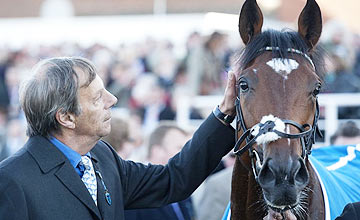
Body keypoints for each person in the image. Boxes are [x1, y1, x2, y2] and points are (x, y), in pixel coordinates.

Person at [0, 57, 236, 220]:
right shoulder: (12, 181)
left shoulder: (102, 156)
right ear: (66, 117)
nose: (112, 100)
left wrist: (222, 115)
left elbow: (173, 179)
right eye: (96, 98)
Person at [125, 123, 194, 220]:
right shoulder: (136, 187)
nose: (186, 154)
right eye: (179, 148)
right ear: (157, 151)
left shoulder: (183, 185)